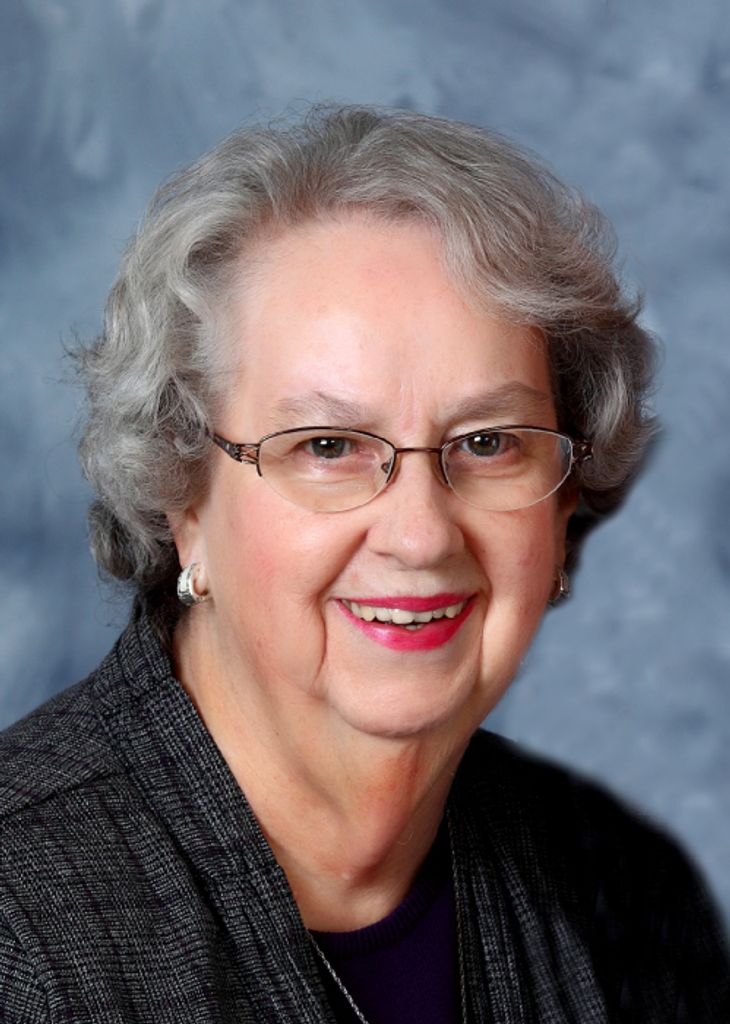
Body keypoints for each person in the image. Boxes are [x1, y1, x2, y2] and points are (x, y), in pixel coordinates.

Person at [0, 105, 727, 1024]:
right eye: (329, 446)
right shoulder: (19, 935)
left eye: (490, 441)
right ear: (184, 502)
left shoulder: (620, 894)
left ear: (564, 500)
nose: (420, 537)